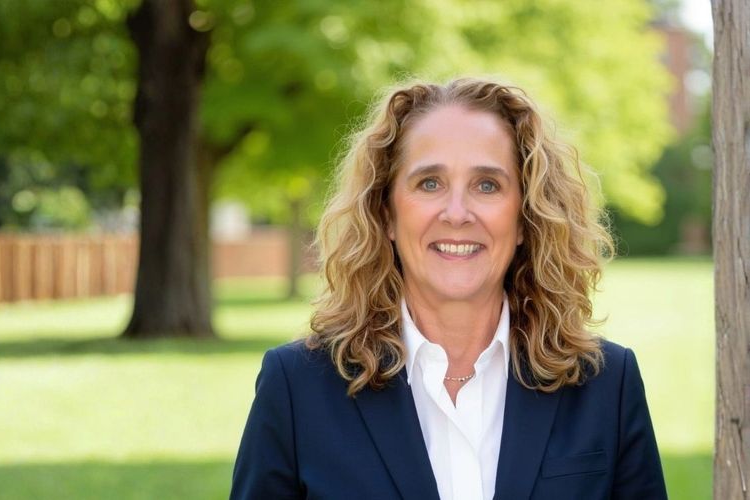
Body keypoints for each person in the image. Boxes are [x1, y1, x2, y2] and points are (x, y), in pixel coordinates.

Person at [230, 78, 667, 500]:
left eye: (487, 185)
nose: (457, 213)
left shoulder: (605, 384)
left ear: (525, 216)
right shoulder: (297, 388)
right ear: (385, 214)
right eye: (430, 183)